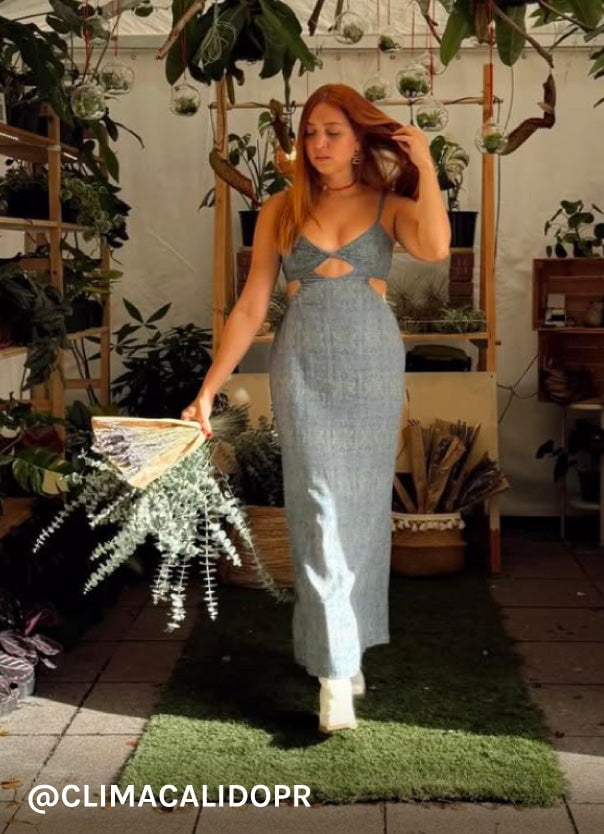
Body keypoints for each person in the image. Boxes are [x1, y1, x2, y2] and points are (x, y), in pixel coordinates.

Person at [182, 83, 450, 732]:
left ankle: (344, 646)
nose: (319, 144)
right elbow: (251, 307)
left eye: (332, 132)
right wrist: (209, 386)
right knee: (318, 509)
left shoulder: (390, 205)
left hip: (371, 370)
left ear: (359, 139)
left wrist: (429, 167)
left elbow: (436, 248)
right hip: (301, 369)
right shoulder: (281, 207)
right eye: (310, 133)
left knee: (358, 515)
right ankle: (333, 672)